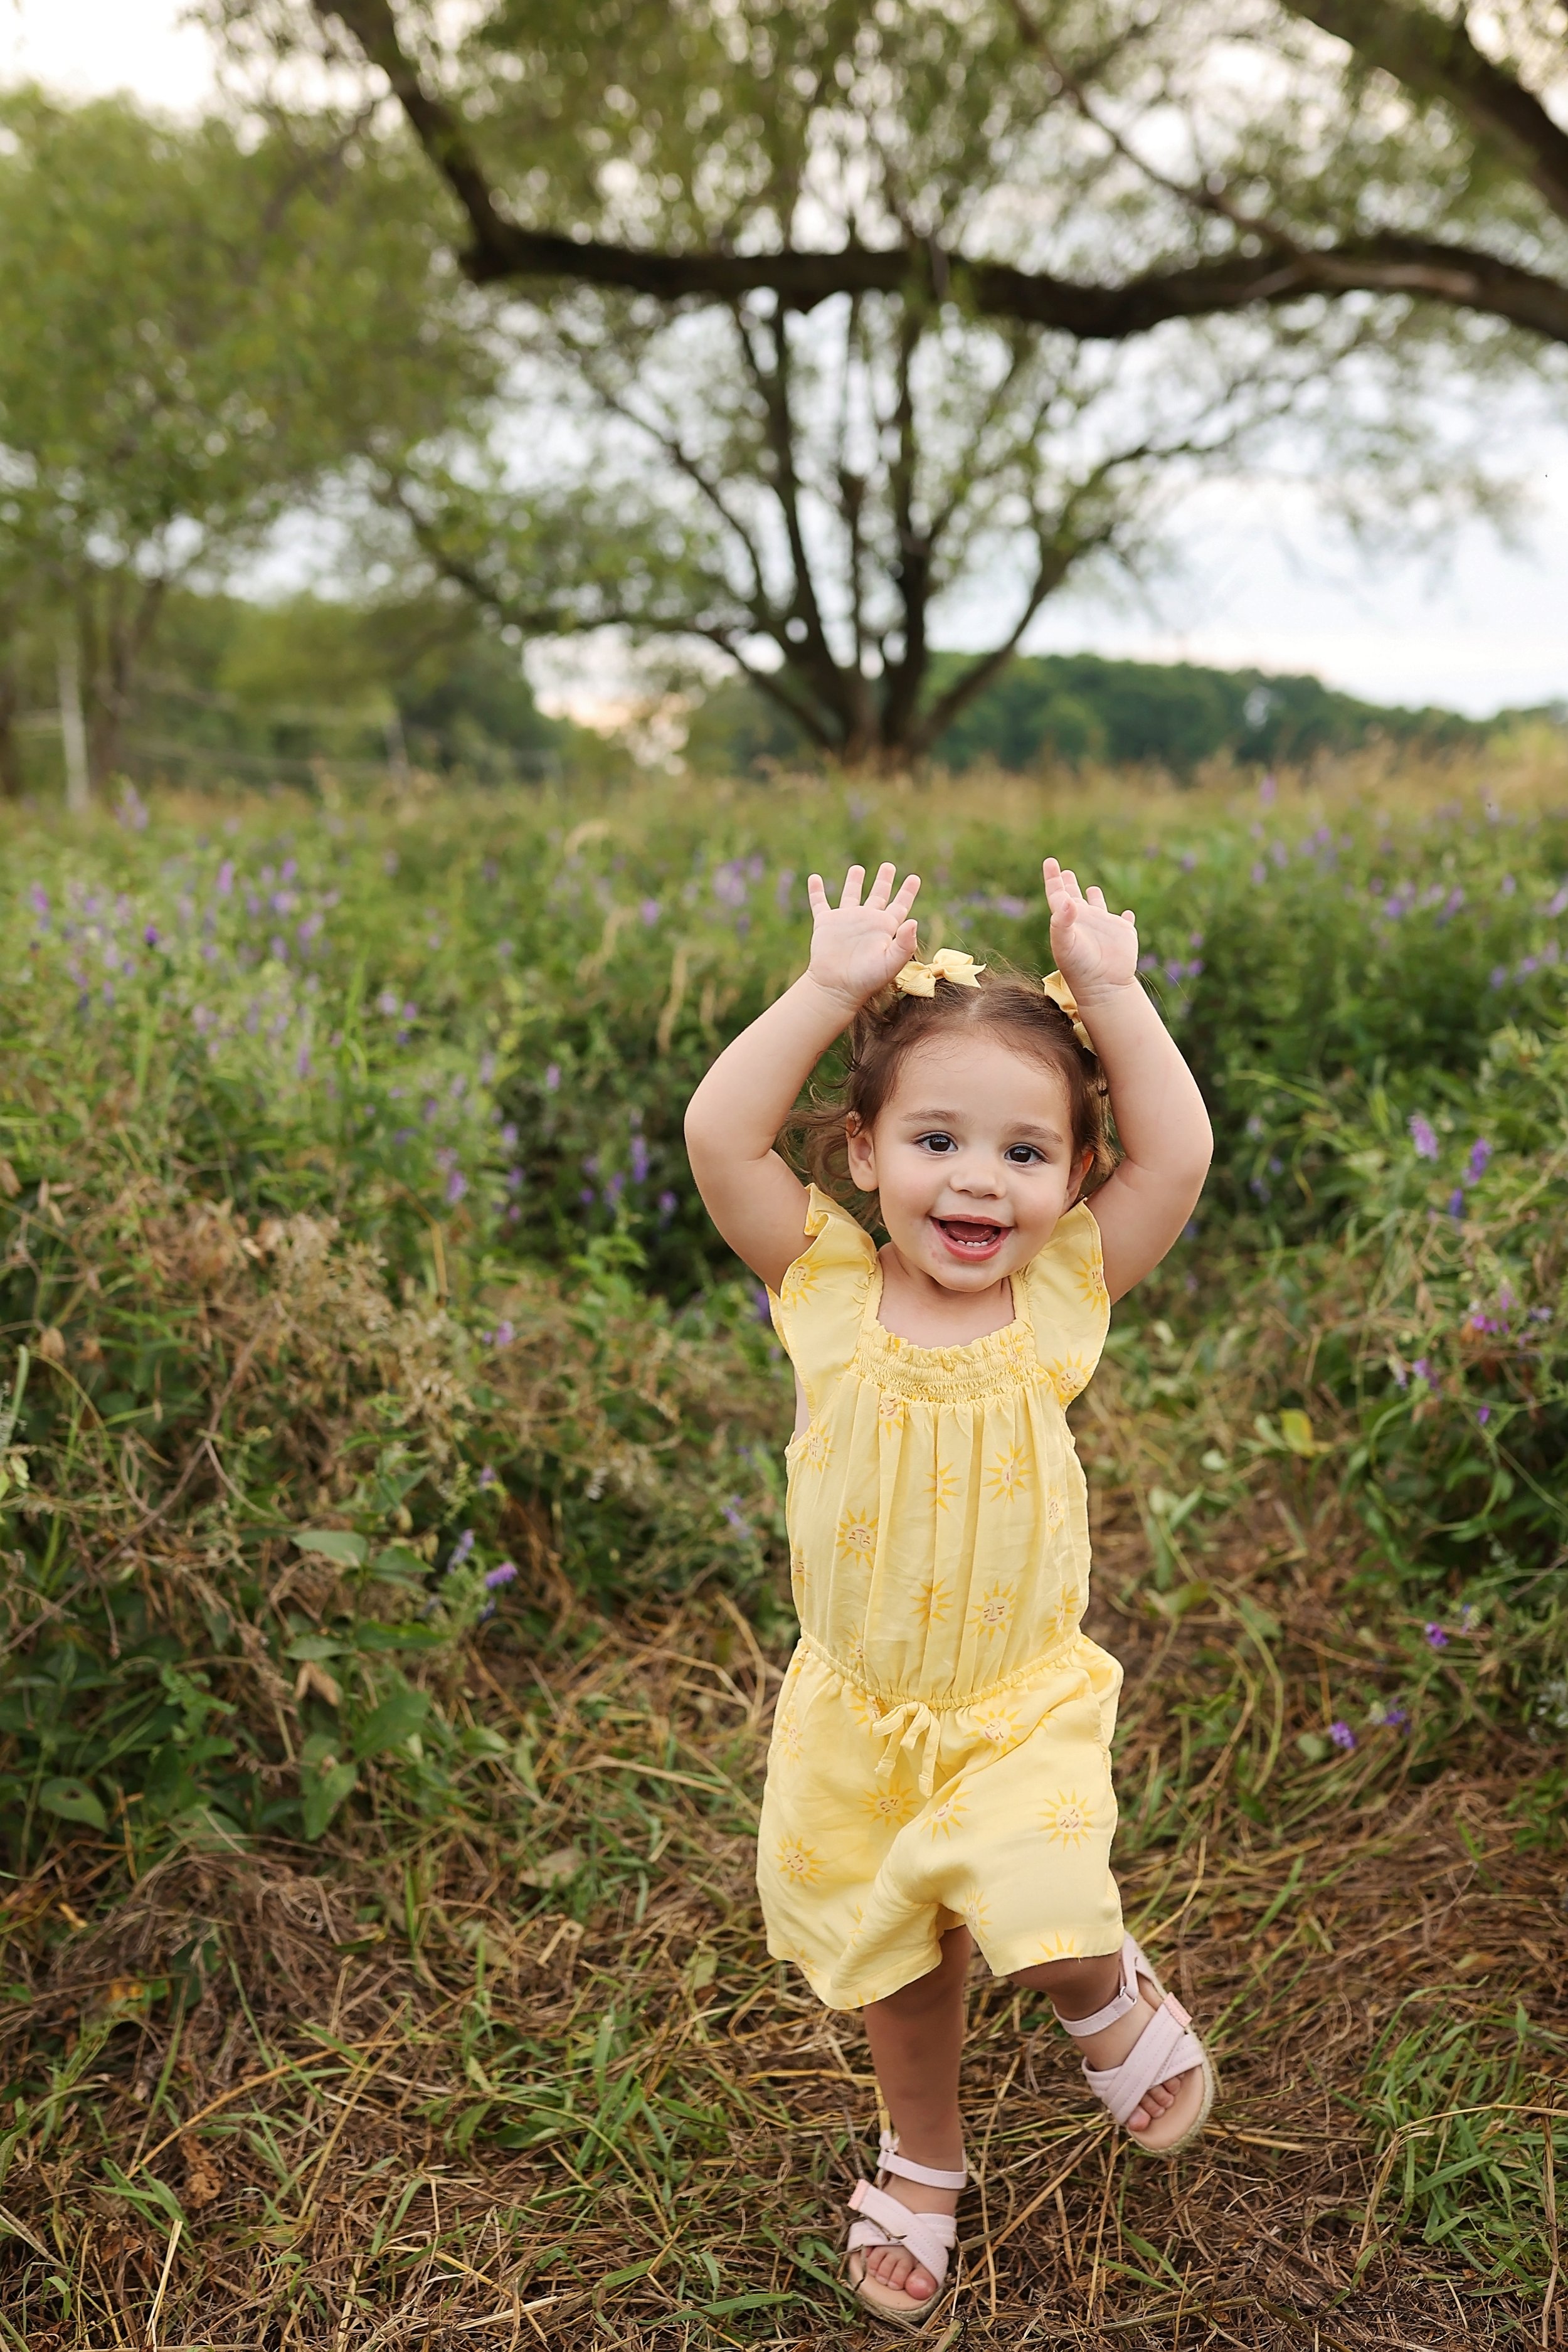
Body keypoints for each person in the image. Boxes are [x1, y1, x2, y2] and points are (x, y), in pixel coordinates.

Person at [684, 855, 1217, 2331]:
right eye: (934, 1139)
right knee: (897, 1967)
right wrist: (824, 987)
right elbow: (719, 1133)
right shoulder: (824, 1291)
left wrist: (1110, 994)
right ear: (860, 1155)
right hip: (858, 1715)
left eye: (1026, 1154)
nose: (978, 1180)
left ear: (1066, 1179)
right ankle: (921, 2158)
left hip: (1008, 1705)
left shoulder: (1058, 1295)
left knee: (1041, 1913)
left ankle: (1106, 1996)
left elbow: (1172, 1159)